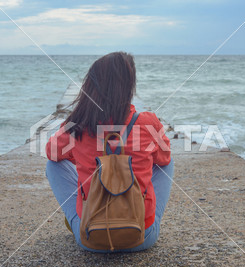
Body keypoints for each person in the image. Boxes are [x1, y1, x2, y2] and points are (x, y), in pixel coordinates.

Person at [45, 52, 174, 253]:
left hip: (90, 239)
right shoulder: (147, 122)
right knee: (167, 163)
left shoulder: (77, 125)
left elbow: (52, 153)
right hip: (142, 237)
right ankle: (144, 217)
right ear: (128, 86)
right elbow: (164, 158)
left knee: (53, 165)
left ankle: (78, 219)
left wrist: (81, 156)